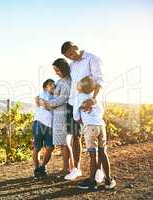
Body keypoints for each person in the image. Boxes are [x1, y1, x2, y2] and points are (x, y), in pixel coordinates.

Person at [61, 41, 104, 181]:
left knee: (94, 140)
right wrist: (74, 108)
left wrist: (94, 99)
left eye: (72, 54)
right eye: (68, 56)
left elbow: (99, 81)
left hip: (89, 105)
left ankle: (99, 171)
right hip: (75, 105)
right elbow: (74, 87)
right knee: (75, 136)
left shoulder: (93, 59)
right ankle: (76, 169)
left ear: (76, 47)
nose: (71, 57)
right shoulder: (72, 65)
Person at [74, 76, 116, 190]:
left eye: (78, 83)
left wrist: (81, 119)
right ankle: (108, 180)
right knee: (103, 152)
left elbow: (76, 116)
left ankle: (92, 182)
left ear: (81, 87)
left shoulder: (79, 97)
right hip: (101, 126)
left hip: (90, 127)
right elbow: (101, 112)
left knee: (93, 155)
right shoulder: (95, 98)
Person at [37, 58, 75, 176]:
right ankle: (69, 167)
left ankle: (67, 168)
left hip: (63, 114)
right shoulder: (59, 81)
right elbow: (54, 95)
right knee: (62, 143)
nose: (56, 73)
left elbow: (63, 98)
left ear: (63, 69)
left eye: (57, 70)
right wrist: (42, 99)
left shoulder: (68, 82)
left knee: (64, 143)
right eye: (55, 70)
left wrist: (48, 104)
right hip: (56, 114)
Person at [32, 79, 56, 179]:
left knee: (50, 148)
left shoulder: (55, 97)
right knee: (37, 148)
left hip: (50, 126)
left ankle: (43, 167)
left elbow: (48, 106)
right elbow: (45, 105)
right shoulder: (42, 94)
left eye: (54, 85)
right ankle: (37, 168)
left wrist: (49, 105)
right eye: (50, 85)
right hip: (39, 123)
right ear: (45, 87)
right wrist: (49, 105)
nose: (53, 86)